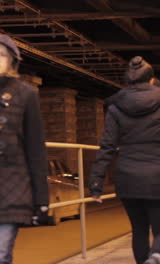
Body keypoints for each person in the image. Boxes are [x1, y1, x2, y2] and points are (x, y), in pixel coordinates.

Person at [89, 56, 160, 264]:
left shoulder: (115, 108)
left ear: (128, 81)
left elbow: (107, 145)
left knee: (139, 231)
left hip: (129, 178)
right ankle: (157, 256)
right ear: (151, 80)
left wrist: (96, 182)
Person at [0, 34, 49, 264]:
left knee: (1, 254)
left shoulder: (26, 94)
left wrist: (41, 198)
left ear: (11, 61)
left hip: (12, 188)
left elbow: (35, 149)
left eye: (0, 55)